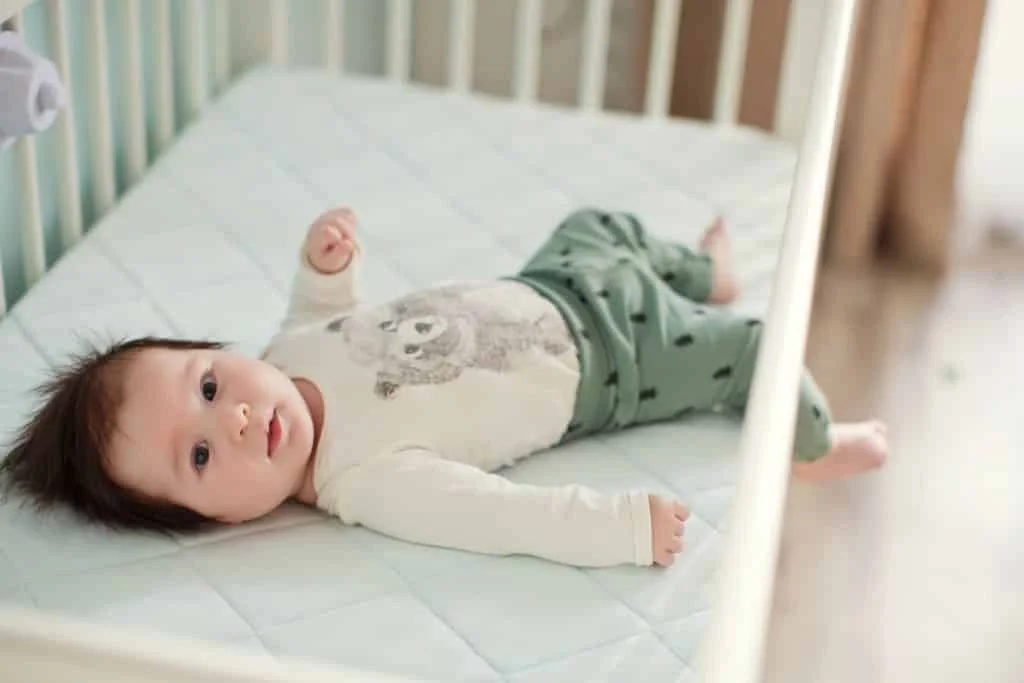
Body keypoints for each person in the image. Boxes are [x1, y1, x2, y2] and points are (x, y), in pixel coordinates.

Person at [0, 207, 887, 568]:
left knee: (597, 223)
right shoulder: (366, 478)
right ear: (218, 520)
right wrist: (618, 528)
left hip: (552, 281)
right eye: (198, 456)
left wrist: (323, 269)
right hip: (620, 360)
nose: (231, 418)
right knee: (756, 350)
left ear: (219, 351)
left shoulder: (287, 349)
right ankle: (813, 443)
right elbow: (495, 514)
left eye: (205, 383)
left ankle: (704, 269)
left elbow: (325, 313)